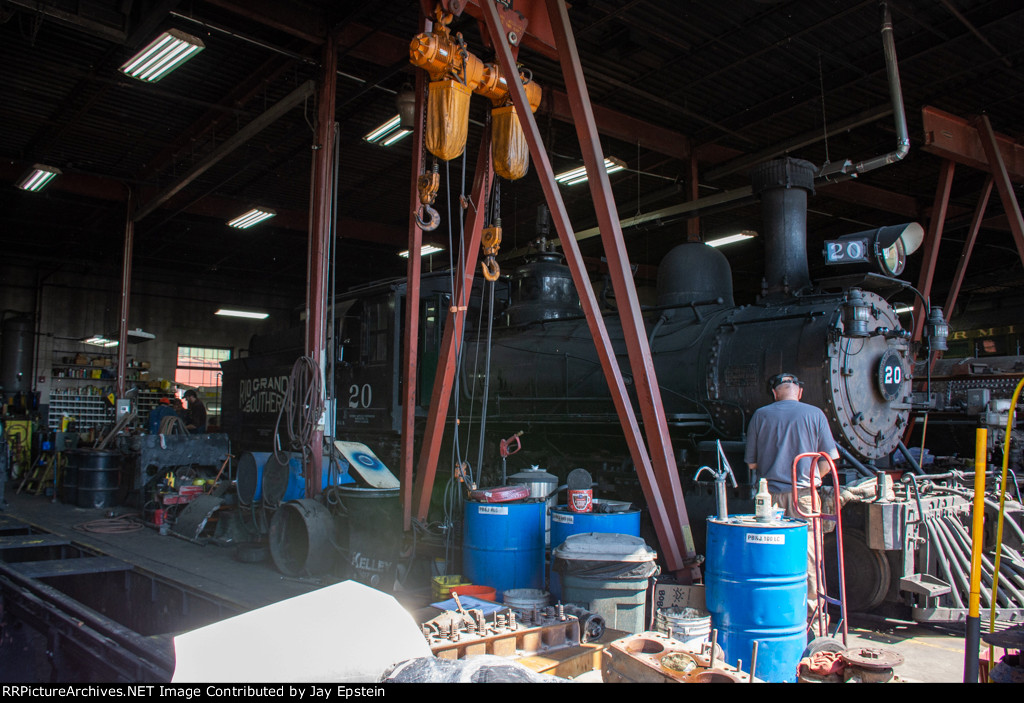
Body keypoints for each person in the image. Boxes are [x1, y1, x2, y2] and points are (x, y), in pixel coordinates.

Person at [744, 372, 839, 635]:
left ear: (774, 392)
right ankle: (815, 627)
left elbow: (752, 464)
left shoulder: (760, 416)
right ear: (799, 392)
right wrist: (813, 476)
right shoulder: (815, 414)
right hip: (804, 497)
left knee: (767, 555)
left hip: (769, 499)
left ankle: (771, 615)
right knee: (810, 558)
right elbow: (829, 458)